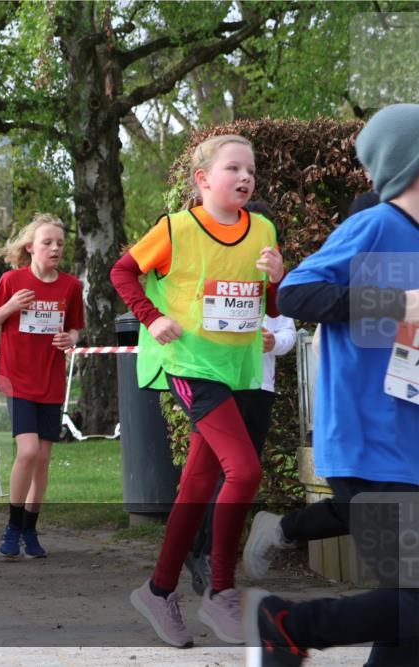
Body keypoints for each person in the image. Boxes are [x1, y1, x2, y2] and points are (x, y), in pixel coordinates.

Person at [243, 103, 419, 667]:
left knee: (409, 621)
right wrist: (395, 303)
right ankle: (289, 624)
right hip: (370, 448)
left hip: (407, 452)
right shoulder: (375, 225)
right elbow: (296, 293)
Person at [110, 134, 284, 647]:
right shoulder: (176, 229)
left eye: (251, 169)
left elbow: (270, 306)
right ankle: (222, 592)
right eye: (234, 168)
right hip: (189, 364)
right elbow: (123, 271)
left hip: (238, 367)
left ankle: (159, 590)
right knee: (245, 469)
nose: (246, 177)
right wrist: (152, 316)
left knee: (197, 486)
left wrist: (278, 278)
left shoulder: (265, 229)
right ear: (203, 180)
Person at [182, 201, 297, 596]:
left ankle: (210, 554)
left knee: (240, 477)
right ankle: (203, 554)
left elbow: (288, 333)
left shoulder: (275, 276)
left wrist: (272, 342)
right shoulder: (211, 268)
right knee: (220, 474)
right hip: (219, 388)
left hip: (259, 388)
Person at [0, 213, 85, 561]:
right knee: (27, 452)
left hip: (50, 380)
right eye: (47, 242)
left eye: (60, 243)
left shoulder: (71, 286)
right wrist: (11, 306)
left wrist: (68, 338)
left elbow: (75, 330)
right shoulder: (12, 280)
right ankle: (12, 526)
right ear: (30, 247)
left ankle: (30, 528)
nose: (55, 248)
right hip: (18, 378)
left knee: (42, 460)